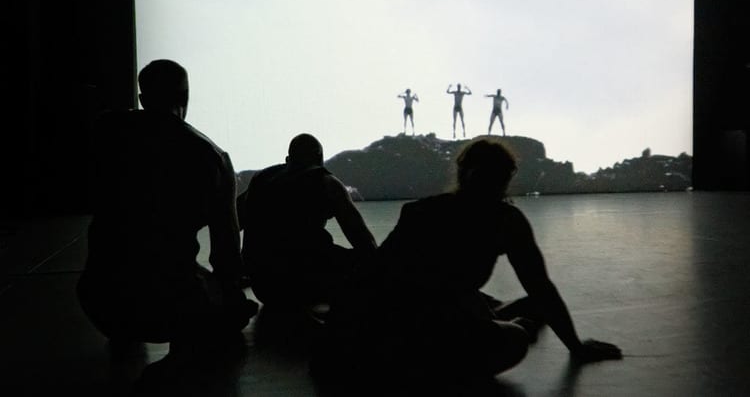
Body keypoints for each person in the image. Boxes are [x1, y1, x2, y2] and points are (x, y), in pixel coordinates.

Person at [311, 137, 621, 388]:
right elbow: (539, 285)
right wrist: (576, 347)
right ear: (506, 179)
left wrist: (336, 332)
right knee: (515, 338)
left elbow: (375, 275)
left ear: (462, 171)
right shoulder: (505, 221)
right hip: (416, 339)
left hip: (379, 334)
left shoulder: (420, 212)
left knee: (466, 296)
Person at [77, 59, 257, 383]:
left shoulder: (106, 132)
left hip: (99, 299)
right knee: (224, 307)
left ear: (142, 98)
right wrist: (232, 299)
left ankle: (127, 336)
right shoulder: (212, 157)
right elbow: (226, 256)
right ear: (185, 96)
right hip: (166, 307)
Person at [238, 133, 377, 312]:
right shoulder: (326, 183)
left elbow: (233, 223)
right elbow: (364, 242)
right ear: (320, 160)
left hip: (264, 287)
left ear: (288, 159)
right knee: (366, 263)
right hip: (305, 281)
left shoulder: (260, 180)